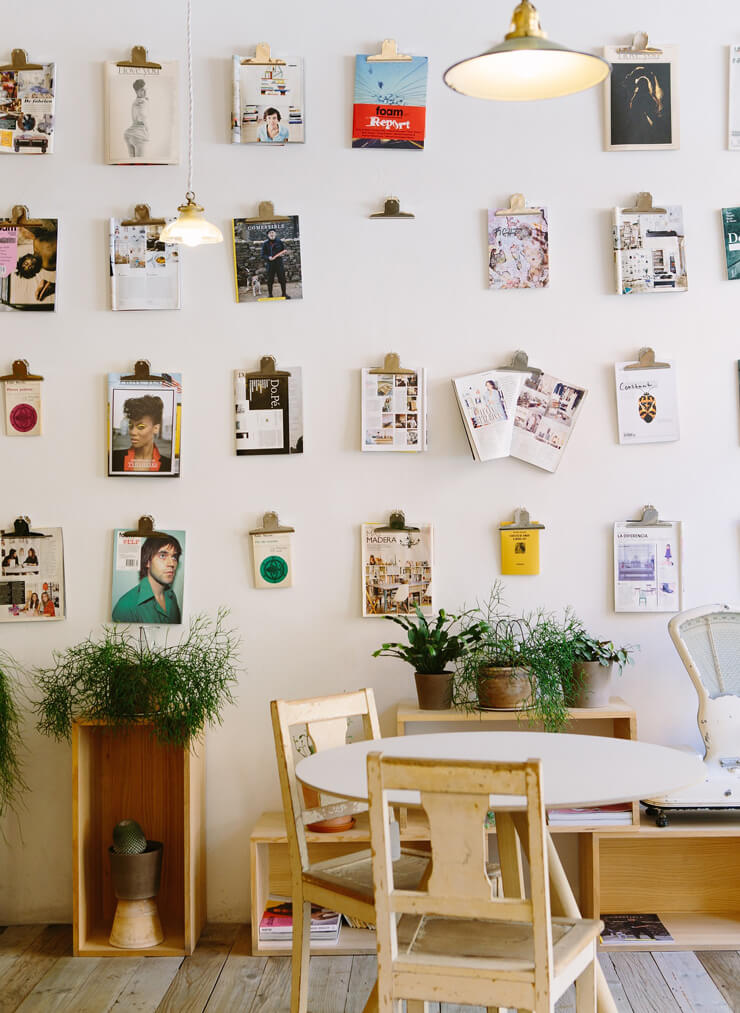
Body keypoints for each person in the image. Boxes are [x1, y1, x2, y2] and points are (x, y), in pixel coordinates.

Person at [112, 535, 182, 624]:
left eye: (174, 557)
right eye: (163, 555)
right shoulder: (126, 606)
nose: (172, 563)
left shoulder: (171, 596)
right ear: (148, 562)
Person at [111, 395, 172, 473]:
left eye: (141, 426)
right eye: (131, 426)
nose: (132, 432)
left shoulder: (168, 465)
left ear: (156, 428)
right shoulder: (114, 458)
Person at [123, 79, 149, 158]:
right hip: (139, 135)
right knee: (141, 163)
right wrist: (147, 131)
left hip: (129, 134)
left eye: (145, 89)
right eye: (142, 90)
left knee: (132, 162)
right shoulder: (143, 102)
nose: (144, 92)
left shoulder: (135, 102)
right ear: (136, 91)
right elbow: (143, 117)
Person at [261, 229, 290, 299]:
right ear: (268, 235)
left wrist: (283, 254)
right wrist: (268, 257)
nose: (271, 234)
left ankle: (284, 294)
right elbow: (262, 254)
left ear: (275, 234)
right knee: (270, 280)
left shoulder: (279, 242)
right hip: (270, 264)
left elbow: (283, 251)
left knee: (282, 279)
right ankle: (270, 295)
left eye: (273, 232)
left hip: (279, 263)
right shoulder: (265, 243)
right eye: (270, 233)